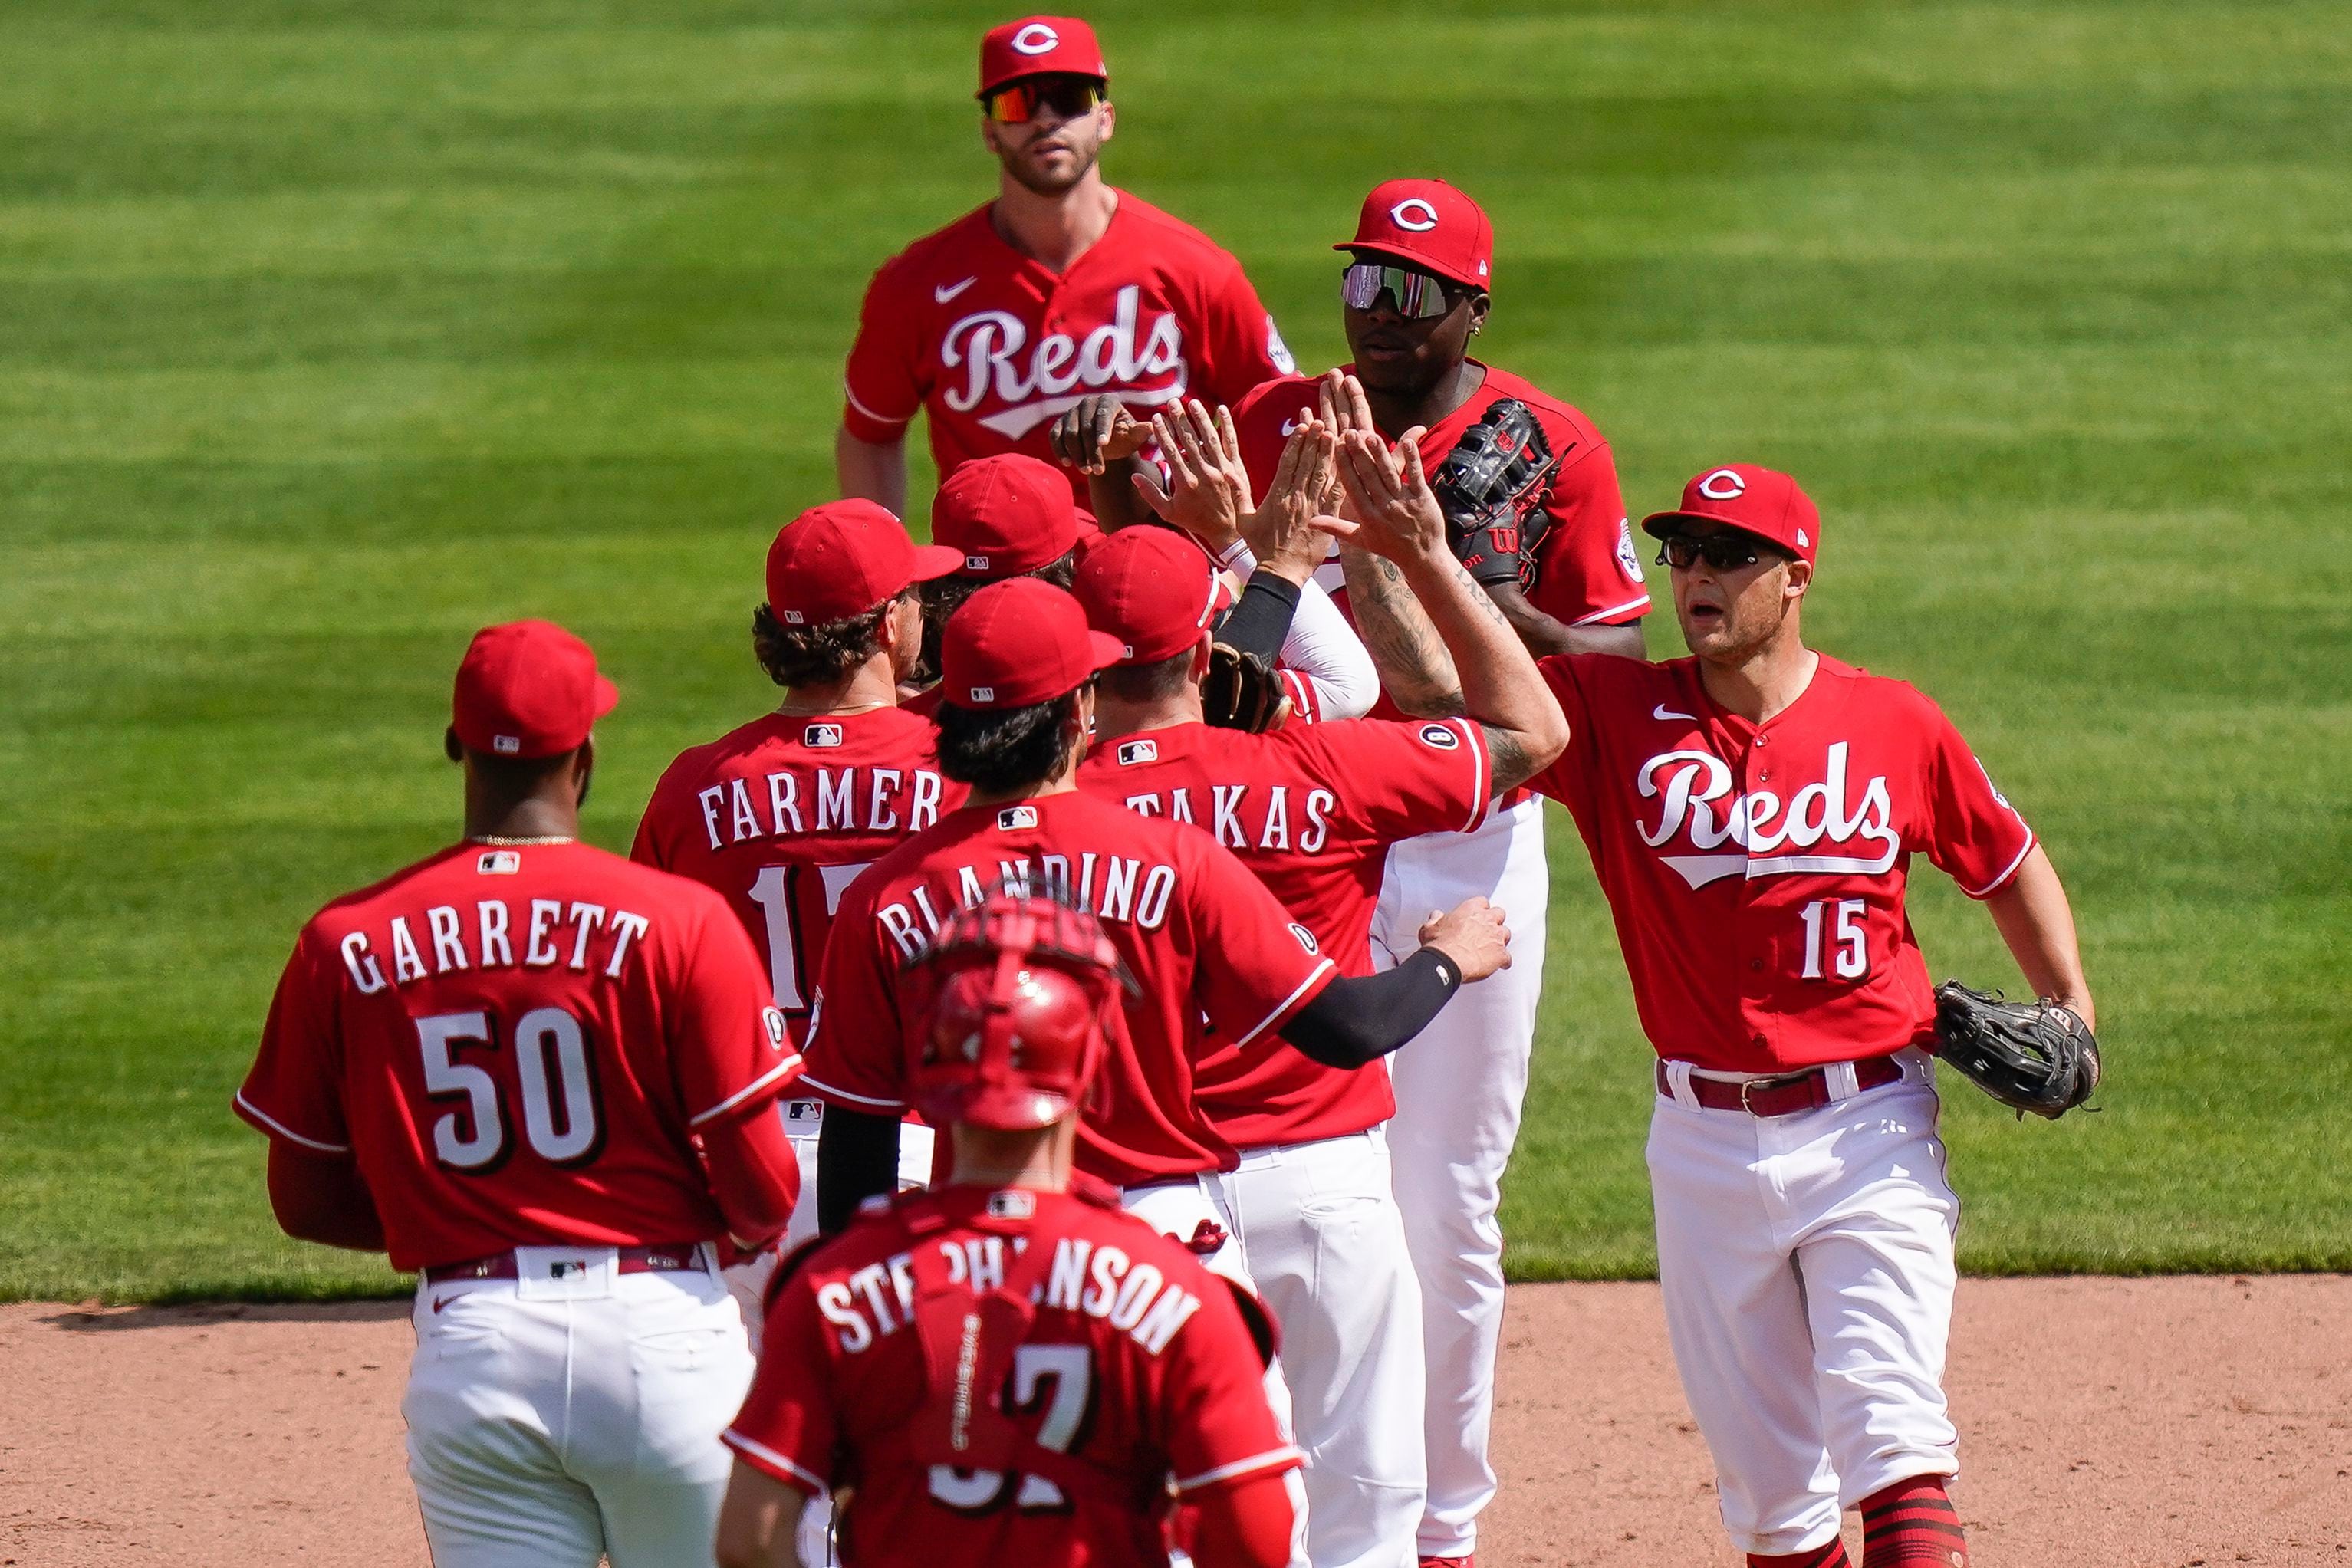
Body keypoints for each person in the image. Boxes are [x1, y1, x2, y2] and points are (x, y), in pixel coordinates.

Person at [1346, 452, 2096, 1568]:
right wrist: (1406, 551)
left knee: (1893, 1444)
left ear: (1794, 576)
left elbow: (2005, 859)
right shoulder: (1611, 713)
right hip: (1698, 1145)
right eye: (1682, 553)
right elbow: (1441, 699)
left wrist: (2069, 1006)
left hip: (1869, 1132)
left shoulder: (1892, 721)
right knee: (1774, 1509)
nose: (1696, 574)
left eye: (1729, 556)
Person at [1069, 446, 1567, 1568]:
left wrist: (1260, 558)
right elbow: (1534, 732)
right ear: (1203, 645)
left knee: (1181, 1520)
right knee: (1367, 1513)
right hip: (1324, 1184)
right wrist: (1421, 553)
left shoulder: (1056, 816)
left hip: (1141, 1200)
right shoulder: (1320, 768)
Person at [234, 620, 803, 1568]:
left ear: (455, 745)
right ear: (585, 755)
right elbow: (764, 1190)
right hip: (662, 1339)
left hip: (477, 1345)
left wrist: (454, 1213)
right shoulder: (680, 921)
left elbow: (304, 1200)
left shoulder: (348, 939)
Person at [798, 576, 1510, 1252]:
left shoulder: (887, 894)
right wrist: (1445, 958)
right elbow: (1346, 1026)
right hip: (1159, 1228)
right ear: (1078, 707)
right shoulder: (1171, 857)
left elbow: (857, 1134)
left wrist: (860, 1291)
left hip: (968, 1240)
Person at [713, 890, 1301, 1568]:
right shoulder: (1179, 1295)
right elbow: (1257, 1543)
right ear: (1090, 1066)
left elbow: (749, 1541)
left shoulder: (830, 1287)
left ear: (927, 1063)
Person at [633, 501, 969, 1264]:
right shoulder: (960, 771)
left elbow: (645, 991)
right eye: (914, 596)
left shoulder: (694, 785)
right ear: (888, 627)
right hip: (905, 1146)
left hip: (744, 1161)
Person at [835, 15, 1294, 517]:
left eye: (1070, 99)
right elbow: (870, 433)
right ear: (989, 132)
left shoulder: (1195, 270)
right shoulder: (919, 284)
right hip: (996, 577)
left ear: (1105, 118)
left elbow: (1281, 415)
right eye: (1018, 103)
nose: (1046, 119)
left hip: (1167, 571)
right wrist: (888, 572)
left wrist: (1249, 564)